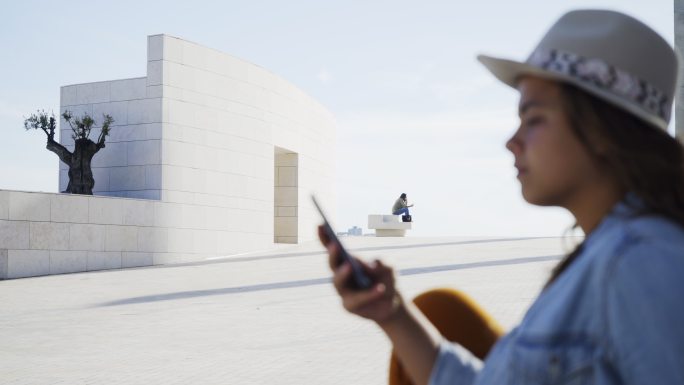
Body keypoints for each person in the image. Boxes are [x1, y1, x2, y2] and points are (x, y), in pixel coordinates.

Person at [318, 9, 684, 385]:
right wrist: (391, 312)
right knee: (440, 308)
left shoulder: (640, 262)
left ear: (604, 130)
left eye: (534, 119)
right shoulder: (612, 256)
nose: (512, 142)